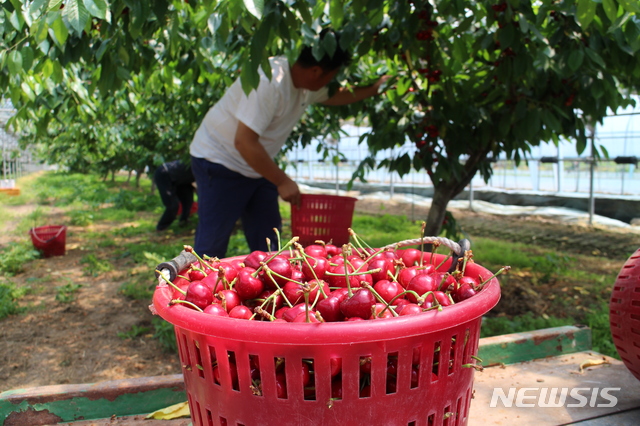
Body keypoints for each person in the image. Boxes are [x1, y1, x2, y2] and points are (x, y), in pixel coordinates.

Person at [190, 29, 390, 258]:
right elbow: (244, 142)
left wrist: (374, 89)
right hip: (219, 160)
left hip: (257, 166)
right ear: (316, 71)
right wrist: (282, 180)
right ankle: (197, 291)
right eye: (331, 76)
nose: (331, 82)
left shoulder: (306, 84)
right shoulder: (269, 81)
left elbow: (335, 96)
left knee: (268, 243)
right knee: (212, 244)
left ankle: (268, 287)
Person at [154, 160, 196, 231]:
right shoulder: (202, 167)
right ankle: (161, 227)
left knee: (188, 200)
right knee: (172, 205)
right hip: (165, 174)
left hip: (182, 179)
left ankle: (183, 221)